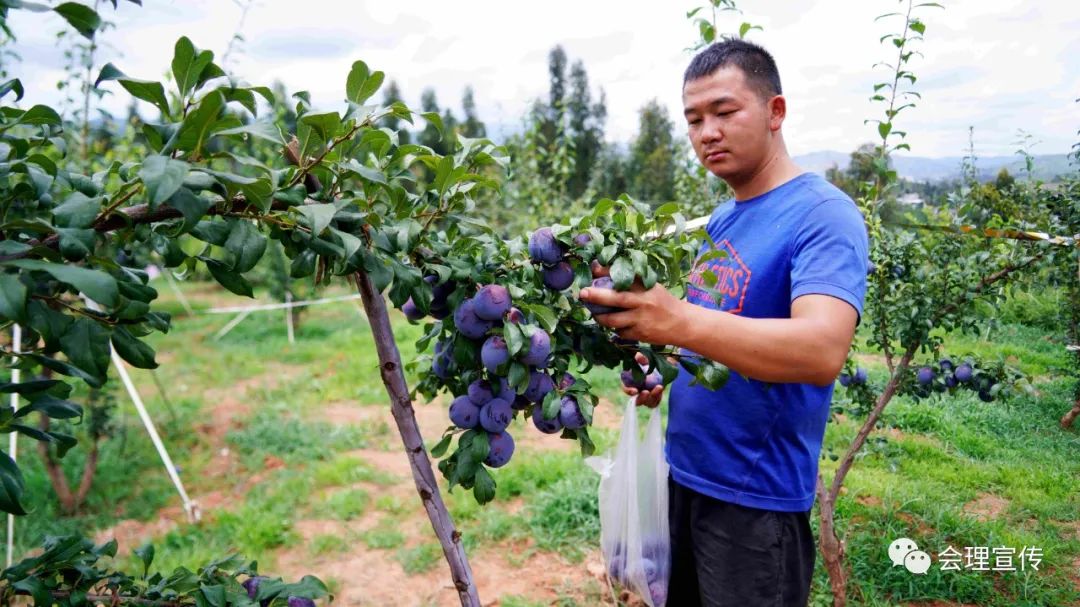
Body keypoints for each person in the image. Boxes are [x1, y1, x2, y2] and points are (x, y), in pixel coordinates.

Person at [578, 38, 869, 607]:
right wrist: (668, 364)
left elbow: (821, 348)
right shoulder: (723, 217)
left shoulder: (823, 214)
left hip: (754, 503)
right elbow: (716, 328)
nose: (706, 132)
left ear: (775, 112)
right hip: (685, 476)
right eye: (693, 119)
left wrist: (678, 322)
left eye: (725, 112)